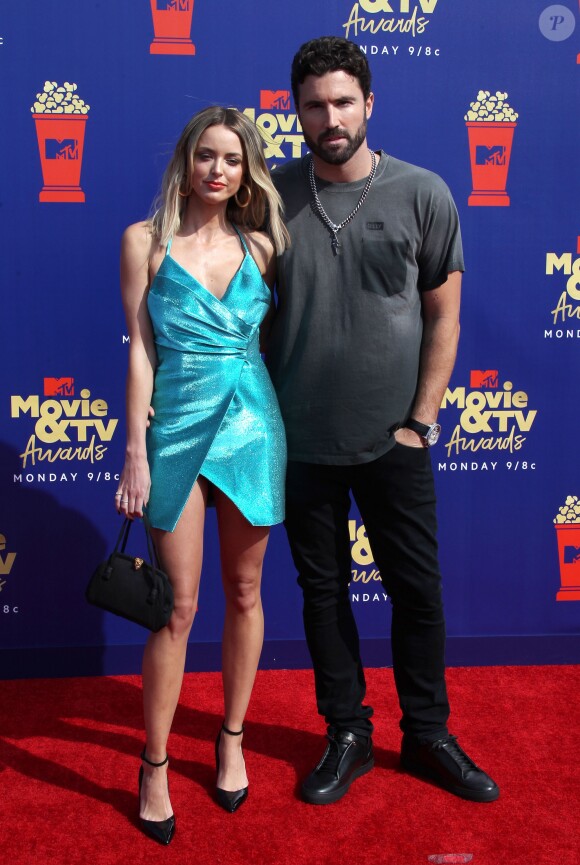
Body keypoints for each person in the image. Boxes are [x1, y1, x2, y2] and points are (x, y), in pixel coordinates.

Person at [265, 36, 499, 805]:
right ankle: (347, 732)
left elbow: (446, 318)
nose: (328, 118)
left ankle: (427, 733)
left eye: (342, 101)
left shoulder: (422, 191)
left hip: (395, 439)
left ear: (370, 102)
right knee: (321, 592)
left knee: (418, 591)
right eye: (313, 105)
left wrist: (421, 422)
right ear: (295, 112)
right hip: (298, 442)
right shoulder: (266, 196)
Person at [115, 106, 289, 842]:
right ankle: (153, 765)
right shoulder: (143, 244)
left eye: (233, 159)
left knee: (245, 592)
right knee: (176, 608)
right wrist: (133, 446)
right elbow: (141, 349)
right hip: (176, 427)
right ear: (185, 162)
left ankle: (232, 738)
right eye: (206, 155)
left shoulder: (263, 245)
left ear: (247, 171)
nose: (218, 169)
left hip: (253, 428)